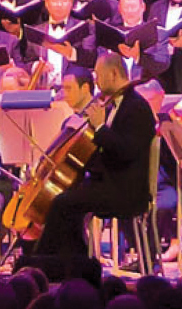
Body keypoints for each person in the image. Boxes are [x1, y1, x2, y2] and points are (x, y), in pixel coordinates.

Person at [26, 56, 154, 260]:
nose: (96, 80)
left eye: (99, 74)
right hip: (109, 183)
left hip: (125, 190)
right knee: (68, 198)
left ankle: (46, 263)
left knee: (62, 204)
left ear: (113, 74)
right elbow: (107, 151)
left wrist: (100, 127)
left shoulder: (136, 107)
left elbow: (126, 152)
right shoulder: (116, 105)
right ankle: (73, 262)